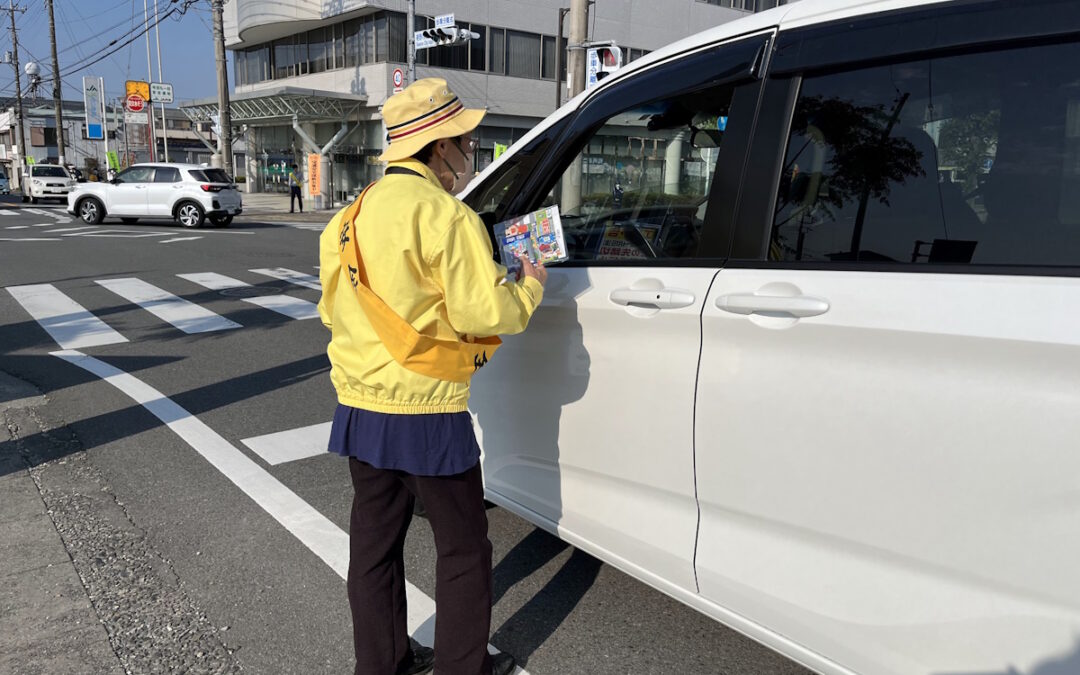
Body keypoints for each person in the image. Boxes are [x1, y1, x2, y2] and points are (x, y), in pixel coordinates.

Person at [317, 77, 547, 675]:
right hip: (427, 413)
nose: (468, 153)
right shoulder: (446, 217)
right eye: (465, 141)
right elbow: (484, 312)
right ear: (440, 147)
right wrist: (529, 285)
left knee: (373, 549)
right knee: (463, 550)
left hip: (360, 411)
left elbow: (329, 308)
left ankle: (384, 663)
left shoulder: (347, 218)